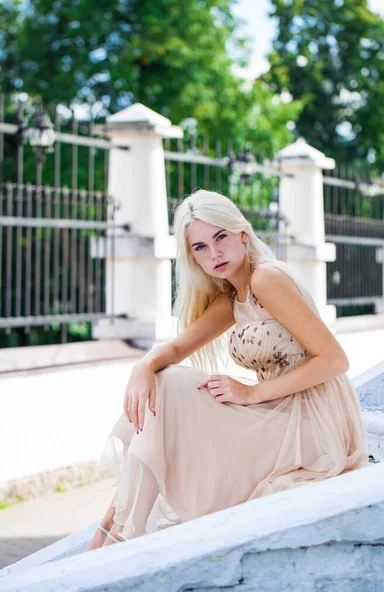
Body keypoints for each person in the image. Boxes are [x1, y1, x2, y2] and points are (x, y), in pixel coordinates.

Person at [88, 189, 368, 550]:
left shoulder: (267, 279)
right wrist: (141, 367)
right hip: (277, 412)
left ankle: (113, 539)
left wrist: (251, 393)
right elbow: (175, 349)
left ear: (242, 234)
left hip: (314, 421)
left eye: (220, 237)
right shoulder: (231, 297)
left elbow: (335, 360)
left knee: (169, 389)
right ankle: (114, 533)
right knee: (162, 383)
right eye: (200, 247)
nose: (214, 253)